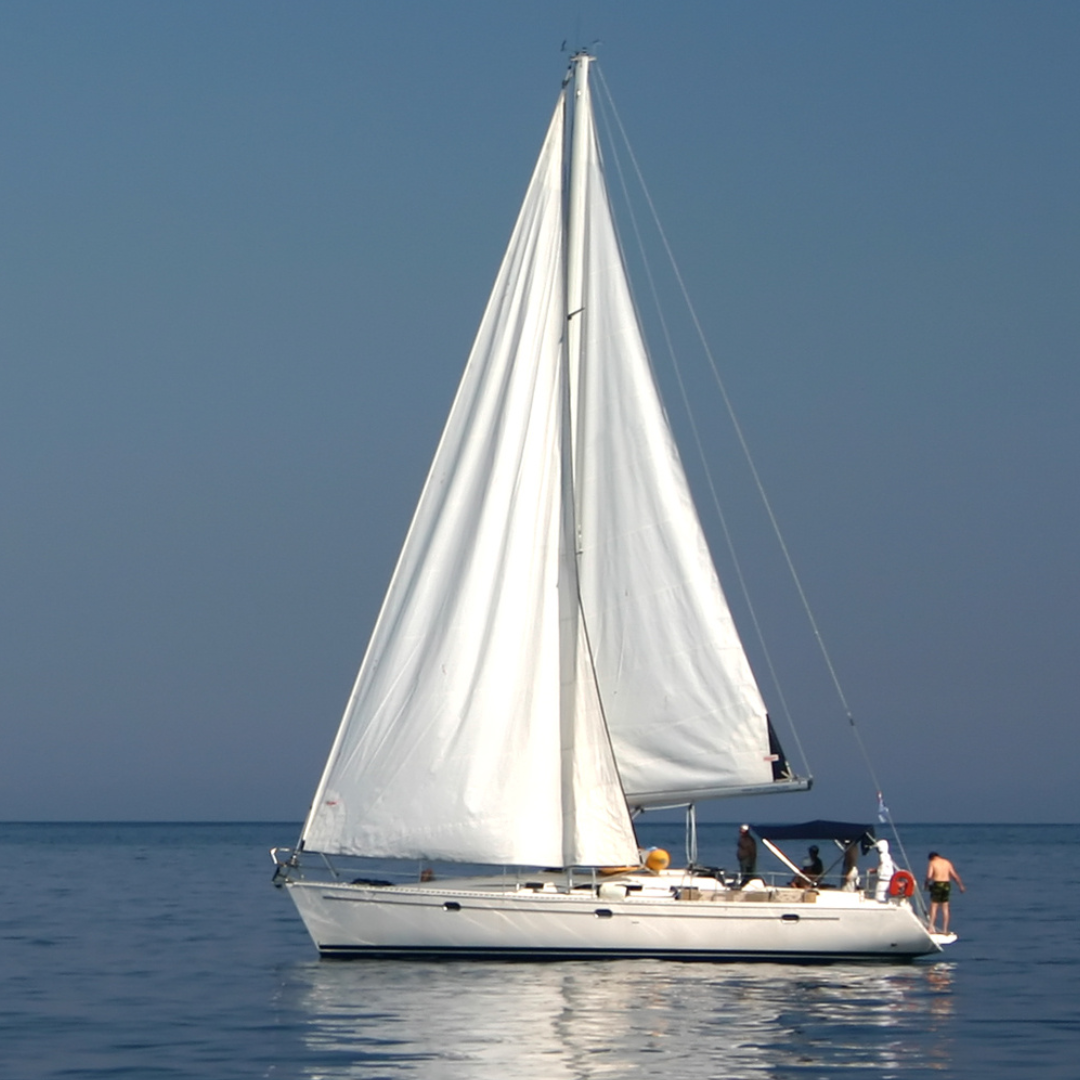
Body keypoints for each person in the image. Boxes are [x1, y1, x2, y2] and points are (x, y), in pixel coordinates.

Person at [925, 851, 965, 934]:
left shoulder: (932, 863)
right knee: (945, 907)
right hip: (947, 884)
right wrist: (961, 885)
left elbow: (929, 876)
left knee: (934, 907)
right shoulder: (947, 862)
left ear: (931, 858)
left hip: (937, 884)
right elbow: (954, 875)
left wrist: (926, 884)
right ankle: (945, 930)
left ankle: (930, 928)